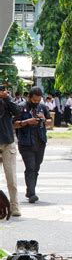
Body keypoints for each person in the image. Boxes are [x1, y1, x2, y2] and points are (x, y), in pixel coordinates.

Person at [13, 87, 52, 204]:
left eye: (38, 100)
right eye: (34, 100)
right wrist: (27, 122)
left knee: (36, 167)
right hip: (25, 143)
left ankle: (30, 190)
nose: (36, 102)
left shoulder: (42, 107)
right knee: (30, 167)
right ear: (29, 97)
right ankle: (32, 193)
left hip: (40, 141)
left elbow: (50, 122)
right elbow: (13, 124)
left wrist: (44, 120)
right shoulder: (20, 107)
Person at [0, 85, 21, 216]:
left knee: (11, 179)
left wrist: (7, 98)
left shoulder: (7, 102)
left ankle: (14, 207)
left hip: (8, 144)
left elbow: (17, 111)